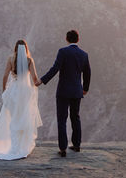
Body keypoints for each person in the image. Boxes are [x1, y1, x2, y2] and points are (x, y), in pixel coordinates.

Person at [38, 29, 91, 157]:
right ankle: (77, 145)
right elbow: (88, 73)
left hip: (63, 91)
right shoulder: (84, 54)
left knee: (62, 120)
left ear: (67, 39)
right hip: (77, 91)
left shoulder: (63, 52)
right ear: (78, 39)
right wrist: (85, 88)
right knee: (75, 117)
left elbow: (55, 69)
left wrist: (42, 80)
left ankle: (63, 149)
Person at [0, 39, 43, 160]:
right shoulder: (29, 60)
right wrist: (42, 81)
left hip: (14, 91)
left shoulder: (11, 59)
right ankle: (23, 146)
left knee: (14, 118)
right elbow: (35, 79)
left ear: (15, 48)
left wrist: (4, 90)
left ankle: (15, 147)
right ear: (26, 49)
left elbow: (5, 76)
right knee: (24, 117)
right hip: (25, 93)